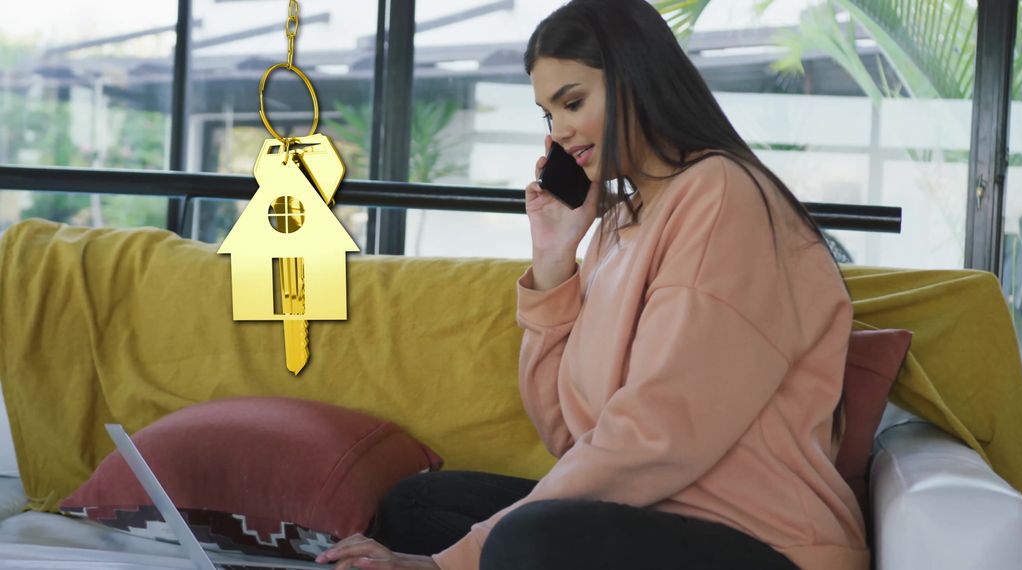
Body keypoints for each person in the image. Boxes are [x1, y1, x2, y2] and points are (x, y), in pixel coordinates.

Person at [316, 0, 867, 568]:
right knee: (417, 506)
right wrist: (555, 258)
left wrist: (447, 563)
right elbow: (566, 432)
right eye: (548, 115)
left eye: (574, 102)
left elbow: (659, 432)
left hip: (764, 539)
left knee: (518, 543)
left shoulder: (723, 195)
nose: (561, 132)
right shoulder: (619, 223)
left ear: (634, 79)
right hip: (657, 510)